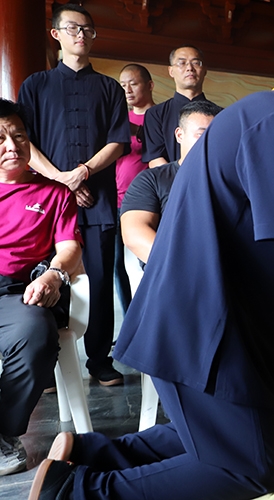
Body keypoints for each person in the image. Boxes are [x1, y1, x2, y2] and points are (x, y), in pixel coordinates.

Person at [29, 47, 274, 500]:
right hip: (205, 324)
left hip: (212, 316)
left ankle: (89, 454)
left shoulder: (266, 112)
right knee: (253, 469)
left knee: (244, 440)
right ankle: (73, 491)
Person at [17, 4, 131, 387]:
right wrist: (62, 181)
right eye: (73, 28)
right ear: (56, 34)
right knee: (47, 277)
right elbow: (25, 143)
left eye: (88, 29)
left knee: (98, 281)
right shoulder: (35, 85)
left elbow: (118, 140)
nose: (81, 34)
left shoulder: (110, 87)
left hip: (98, 200)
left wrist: (82, 173)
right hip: (49, 203)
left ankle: (100, 359)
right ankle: (47, 361)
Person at [0, 99, 83, 476]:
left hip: (18, 292)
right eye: (1, 139)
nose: (12, 146)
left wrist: (53, 273)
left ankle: (3, 432)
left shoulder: (53, 193)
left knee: (36, 335)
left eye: (18, 136)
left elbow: (68, 246)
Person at [121, 100, 222, 265]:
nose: (209, 141)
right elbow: (134, 233)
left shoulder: (234, 180)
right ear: (179, 135)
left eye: (216, 134)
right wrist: (182, 267)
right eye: (201, 134)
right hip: (172, 273)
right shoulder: (152, 180)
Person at [114, 64, 156, 313]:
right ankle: (130, 317)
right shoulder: (118, 119)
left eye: (133, 83)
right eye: (122, 85)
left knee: (150, 261)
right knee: (116, 265)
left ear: (149, 85)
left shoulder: (160, 116)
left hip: (147, 202)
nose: (127, 89)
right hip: (115, 199)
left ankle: (152, 315)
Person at [142, 45, 215, 167]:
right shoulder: (155, 114)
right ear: (171, 71)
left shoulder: (220, 114)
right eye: (182, 63)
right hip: (170, 183)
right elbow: (155, 158)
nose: (190, 68)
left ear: (205, 70)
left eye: (196, 63)